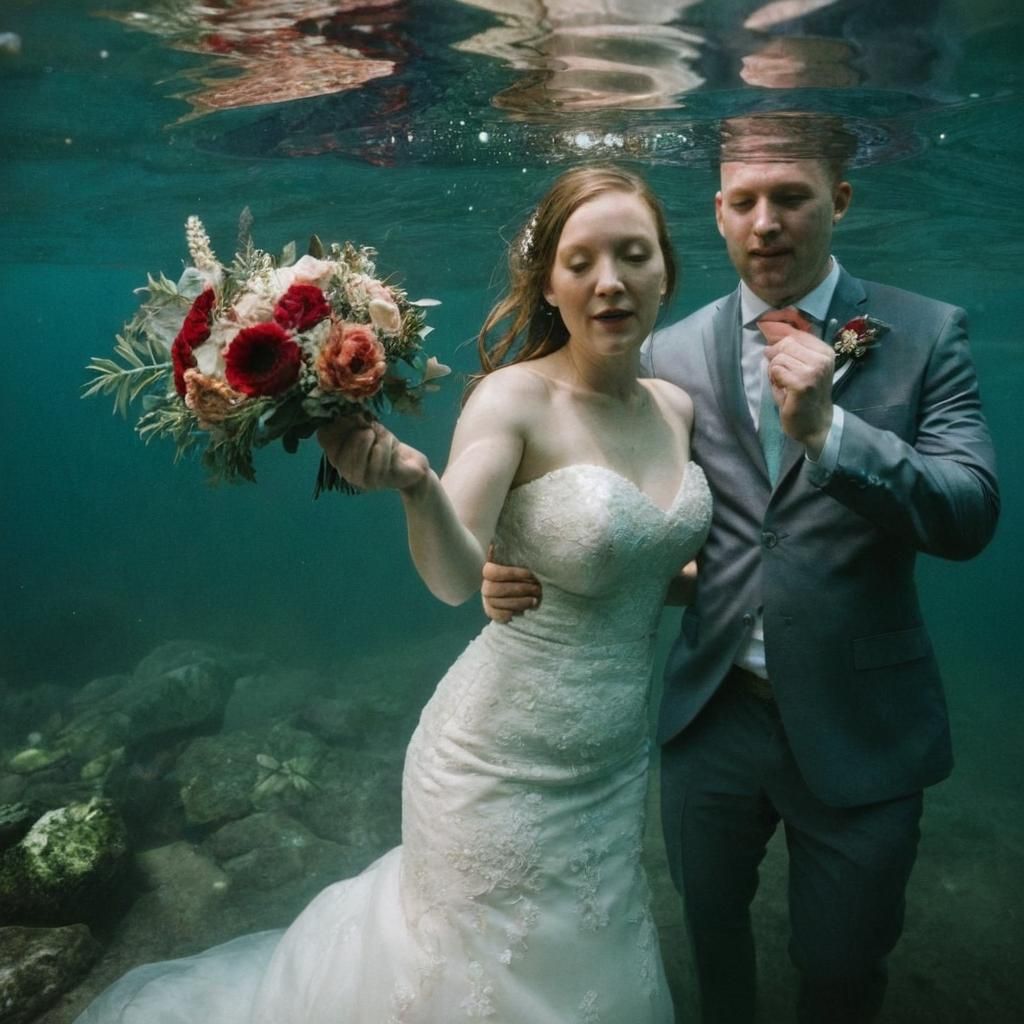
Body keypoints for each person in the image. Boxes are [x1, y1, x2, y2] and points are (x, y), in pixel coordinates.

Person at [73, 165, 712, 1023]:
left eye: (633, 255)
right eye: (581, 261)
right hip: (497, 768)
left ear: (665, 269)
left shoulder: (677, 406)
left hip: (609, 771)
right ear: (548, 285)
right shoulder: (514, 398)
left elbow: (649, 561)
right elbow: (455, 577)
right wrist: (416, 484)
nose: (610, 281)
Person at [481, 113, 1000, 1023]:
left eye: (792, 198)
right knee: (710, 942)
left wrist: (831, 435)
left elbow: (968, 515)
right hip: (710, 715)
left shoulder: (926, 334)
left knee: (842, 968)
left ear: (838, 201)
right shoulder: (665, 352)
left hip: (864, 723)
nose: (768, 222)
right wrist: (516, 561)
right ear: (718, 213)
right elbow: (598, 488)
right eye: (746, 202)